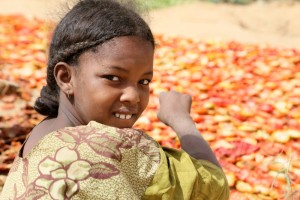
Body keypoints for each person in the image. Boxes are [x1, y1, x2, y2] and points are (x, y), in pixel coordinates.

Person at [0, 0, 229, 199]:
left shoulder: (40, 134)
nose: (133, 96)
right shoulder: (112, 145)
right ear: (65, 77)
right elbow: (213, 187)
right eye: (113, 77)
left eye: (144, 82)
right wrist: (181, 121)